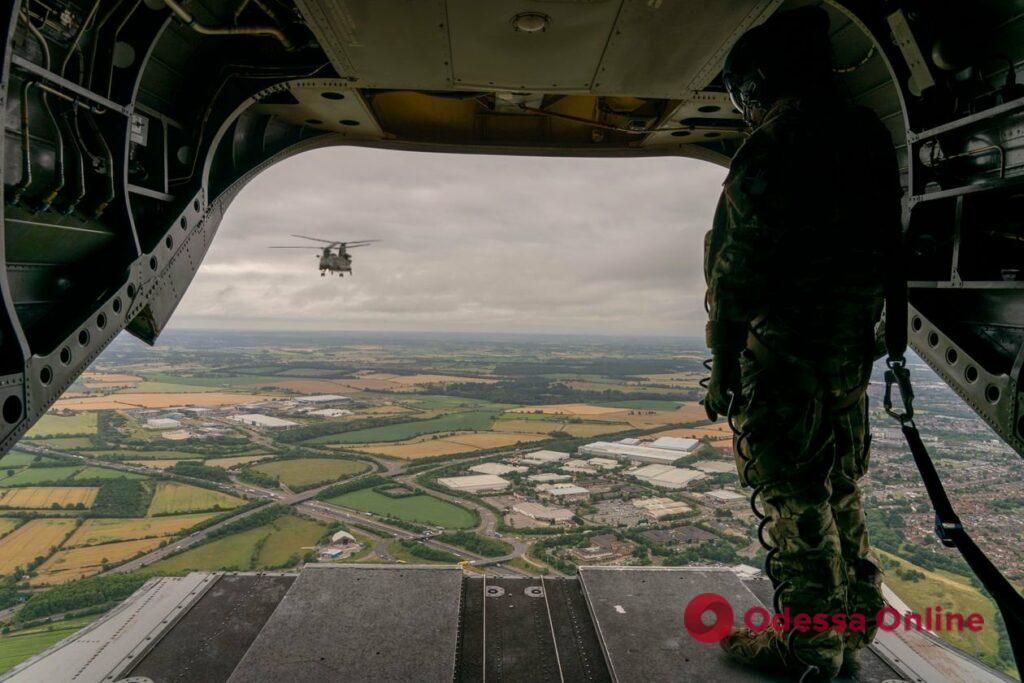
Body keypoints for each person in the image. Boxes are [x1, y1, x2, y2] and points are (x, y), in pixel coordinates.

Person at [702, 7, 903, 679]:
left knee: (797, 498)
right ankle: (850, 627)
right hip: (847, 358)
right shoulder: (866, 137)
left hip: (785, 361)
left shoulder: (774, 146)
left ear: (759, 83)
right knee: (840, 487)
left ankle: (809, 647)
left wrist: (723, 368)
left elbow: (733, 275)